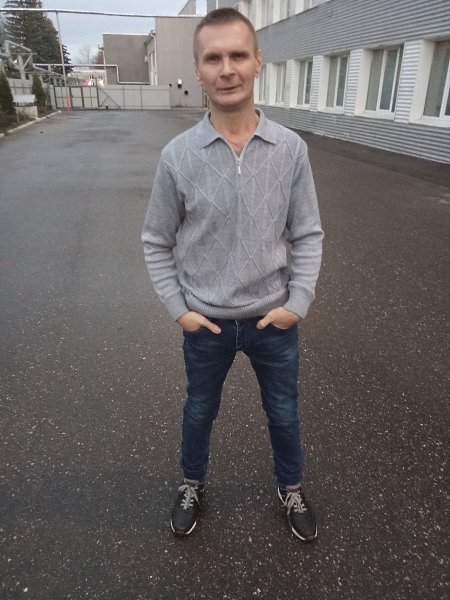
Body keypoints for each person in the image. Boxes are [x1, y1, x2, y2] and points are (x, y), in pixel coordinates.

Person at [141, 8, 323, 542]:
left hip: (273, 321)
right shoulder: (178, 156)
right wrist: (180, 310)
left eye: (238, 55)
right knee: (199, 411)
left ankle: (291, 488)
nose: (227, 69)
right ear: (198, 70)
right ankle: (191, 484)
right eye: (213, 58)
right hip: (208, 324)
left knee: (283, 414)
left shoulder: (290, 149)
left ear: (258, 62)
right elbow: (156, 239)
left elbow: (308, 232)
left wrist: (298, 302)